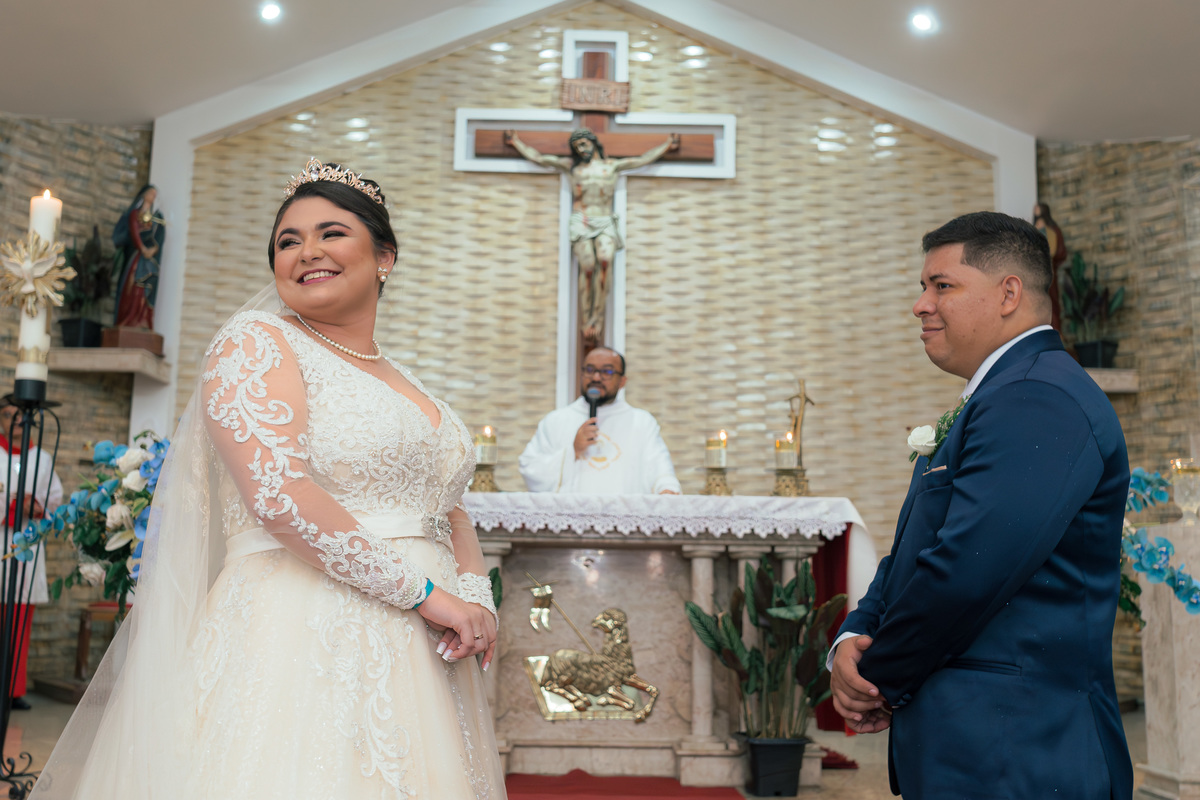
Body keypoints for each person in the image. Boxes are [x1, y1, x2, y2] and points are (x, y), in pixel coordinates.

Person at [34, 159, 505, 799]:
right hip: (303, 629)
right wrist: (427, 595)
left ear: (384, 257)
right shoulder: (257, 343)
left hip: (426, 643)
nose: (307, 251)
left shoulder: (404, 378)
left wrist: (474, 596)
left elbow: (447, 507)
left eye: (331, 233)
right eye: (288, 241)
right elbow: (281, 497)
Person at [829, 211, 1132, 799]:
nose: (920, 304)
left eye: (942, 285)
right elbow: (918, 551)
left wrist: (875, 678)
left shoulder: (1038, 397)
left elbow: (968, 570)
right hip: (979, 744)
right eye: (923, 286)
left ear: (1008, 294)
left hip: (1017, 748)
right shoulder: (1004, 394)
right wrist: (854, 635)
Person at [505, 128, 678, 345]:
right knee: (587, 268)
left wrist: (667, 146)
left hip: (604, 219)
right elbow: (540, 158)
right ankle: (586, 319)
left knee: (605, 262)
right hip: (582, 220)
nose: (581, 149)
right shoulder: (573, 167)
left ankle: (597, 318)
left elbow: (641, 160)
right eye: (577, 146)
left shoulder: (611, 166)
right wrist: (516, 142)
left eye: (584, 144)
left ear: (593, 142)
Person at [519, 346, 681, 495]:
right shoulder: (555, 421)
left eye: (607, 371)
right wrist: (572, 451)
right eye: (590, 370)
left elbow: (660, 469)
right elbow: (530, 468)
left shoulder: (641, 422)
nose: (596, 377)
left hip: (623, 515)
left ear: (622, 381)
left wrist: (667, 489)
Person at [0, 398, 63, 711]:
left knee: (19, 620)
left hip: (26, 546)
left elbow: (55, 498)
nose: (15, 422)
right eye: (7, 415)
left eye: (20, 415)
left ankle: (13, 689)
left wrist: (35, 506)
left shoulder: (42, 458)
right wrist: (12, 504)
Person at [112, 184, 165, 330]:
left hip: (148, 258)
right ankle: (128, 318)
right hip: (136, 256)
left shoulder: (155, 217)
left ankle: (143, 320)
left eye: (155, 194)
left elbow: (159, 236)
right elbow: (134, 232)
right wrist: (142, 248)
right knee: (133, 285)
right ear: (144, 194)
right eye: (151, 193)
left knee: (148, 284)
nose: (153, 196)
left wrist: (153, 249)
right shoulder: (135, 214)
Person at [1033, 201, 1068, 331]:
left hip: (1048, 269)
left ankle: (1056, 330)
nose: (1035, 209)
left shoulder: (1052, 229)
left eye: (1037, 208)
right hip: (1036, 270)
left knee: (1051, 300)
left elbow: (1056, 251)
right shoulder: (1034, 226)